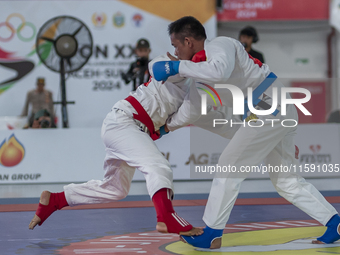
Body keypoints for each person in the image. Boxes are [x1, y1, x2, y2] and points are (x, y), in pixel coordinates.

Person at [152, 16, 340, 248]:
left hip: (270, 106)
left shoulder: (220, 45)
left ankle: (212, 232)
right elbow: (193, 112)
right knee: (286, 181)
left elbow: (219, 71)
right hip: (272, 113)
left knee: (228, 165)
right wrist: (163, 128)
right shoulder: (201, 74)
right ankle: (335, 223)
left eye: (175, 46)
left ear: (189, 41)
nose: (175, 52)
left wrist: (176, 66)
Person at [28, 55, 205, 237]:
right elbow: (157, 68)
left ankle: (56, 199)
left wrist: (162, 130)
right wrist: (184, 64)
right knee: (158, 166)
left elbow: (179, 120)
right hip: (124, 122)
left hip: (131, 128)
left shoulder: (193, 89)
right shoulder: (169, 62)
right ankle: (166, 217)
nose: (176, 49)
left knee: (116, 189)